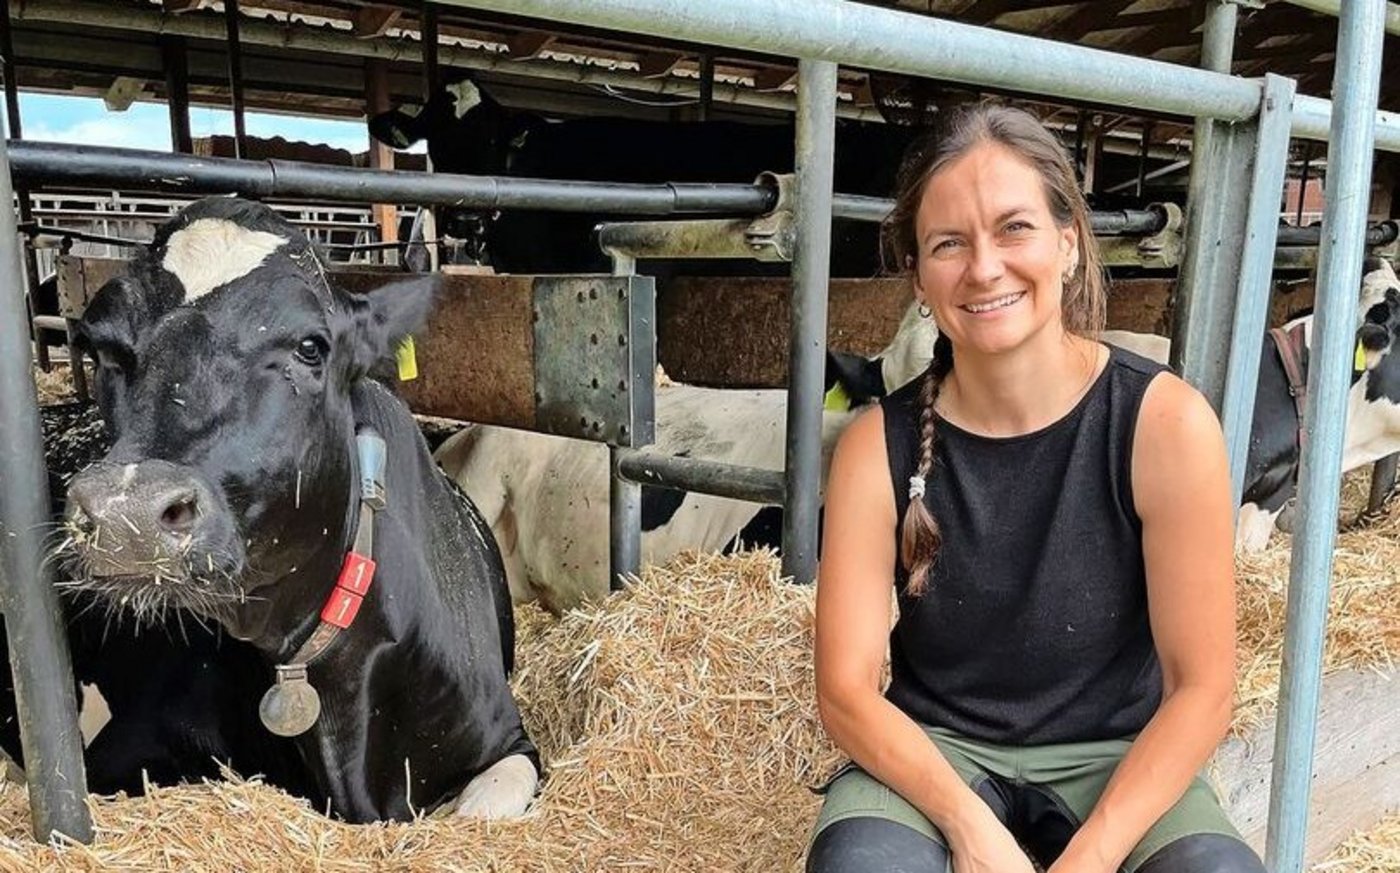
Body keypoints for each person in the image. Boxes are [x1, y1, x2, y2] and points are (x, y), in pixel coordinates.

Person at [808, 103, 1263, 873]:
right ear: (919, 277)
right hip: (936, 755)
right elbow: (846, 690)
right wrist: (968, 825)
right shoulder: (871, 449)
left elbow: (1203, 688)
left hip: (1118, 755)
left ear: (1068, 242)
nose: (984, 268)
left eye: (1014, 227)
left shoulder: (1164, 424)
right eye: (948, 243)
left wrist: (1092, 856)